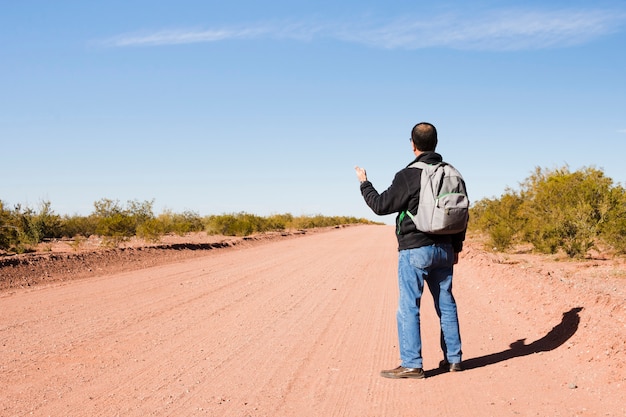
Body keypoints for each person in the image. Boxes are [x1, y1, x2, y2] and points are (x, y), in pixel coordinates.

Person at [354, 122, 465, 379]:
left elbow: (381, 205)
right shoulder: (453, 173)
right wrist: (456, 246)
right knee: (446, 303)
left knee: (408, 306)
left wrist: (364, 183)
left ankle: (412, 364)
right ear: (435, 143)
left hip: (415, 250)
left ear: (412, 144)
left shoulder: (409, 174)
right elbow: (460, 212)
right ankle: (454, 359)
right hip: (445, 249)